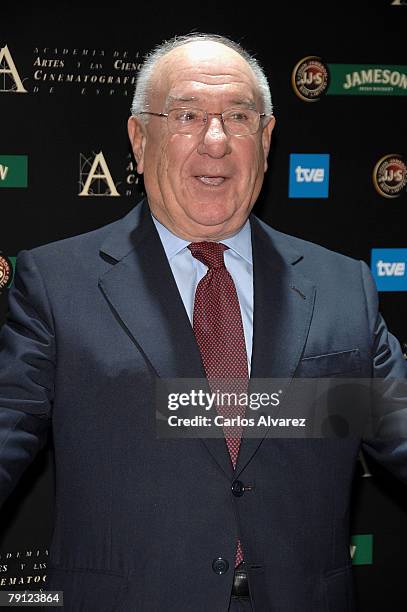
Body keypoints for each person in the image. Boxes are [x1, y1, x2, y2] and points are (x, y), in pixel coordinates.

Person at [0, 32, 406, 612]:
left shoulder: (345, 287)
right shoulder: (57, 283)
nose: (216, 142)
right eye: (187, 115)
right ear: (140, 140)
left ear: (266, 140)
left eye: (239, 117)